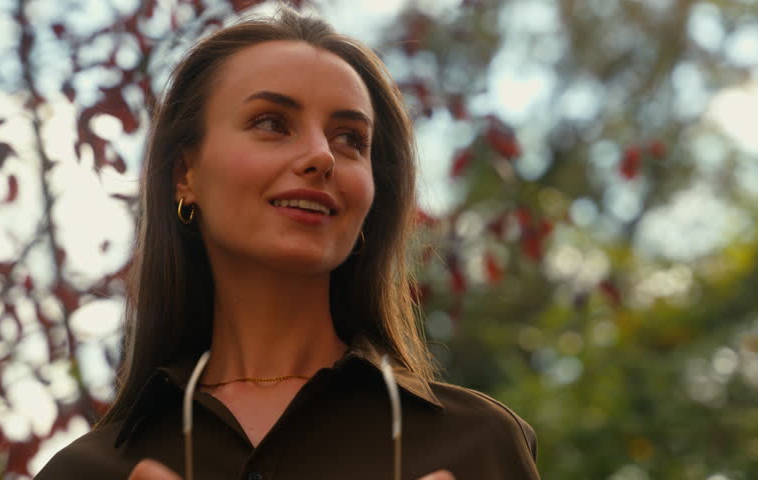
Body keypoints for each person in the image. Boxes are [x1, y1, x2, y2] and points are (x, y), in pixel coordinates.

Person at [34, 5, 540, 480]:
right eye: (272, 123)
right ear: (185, 173)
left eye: (350, 139)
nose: (322, 156)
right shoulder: (86, 471)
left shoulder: (480, 446)